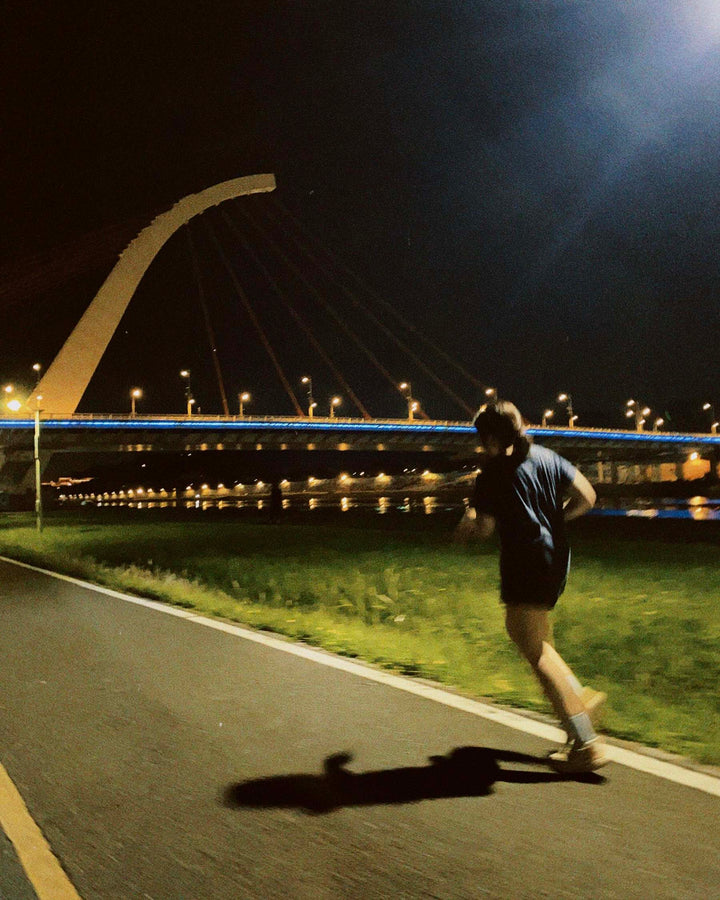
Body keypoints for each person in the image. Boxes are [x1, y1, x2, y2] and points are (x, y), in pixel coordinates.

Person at [455, 400, 607, 774]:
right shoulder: (547, 457)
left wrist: (467, 520)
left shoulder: (491, 475)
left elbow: (484, 529)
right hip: (556, 560)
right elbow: (588, 497)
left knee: (535, 649)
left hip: (523, 562)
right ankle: (580, 702)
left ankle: (585, 741)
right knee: (537, 639)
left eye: (482, 440)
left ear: (490, 439)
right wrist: (556, 520)